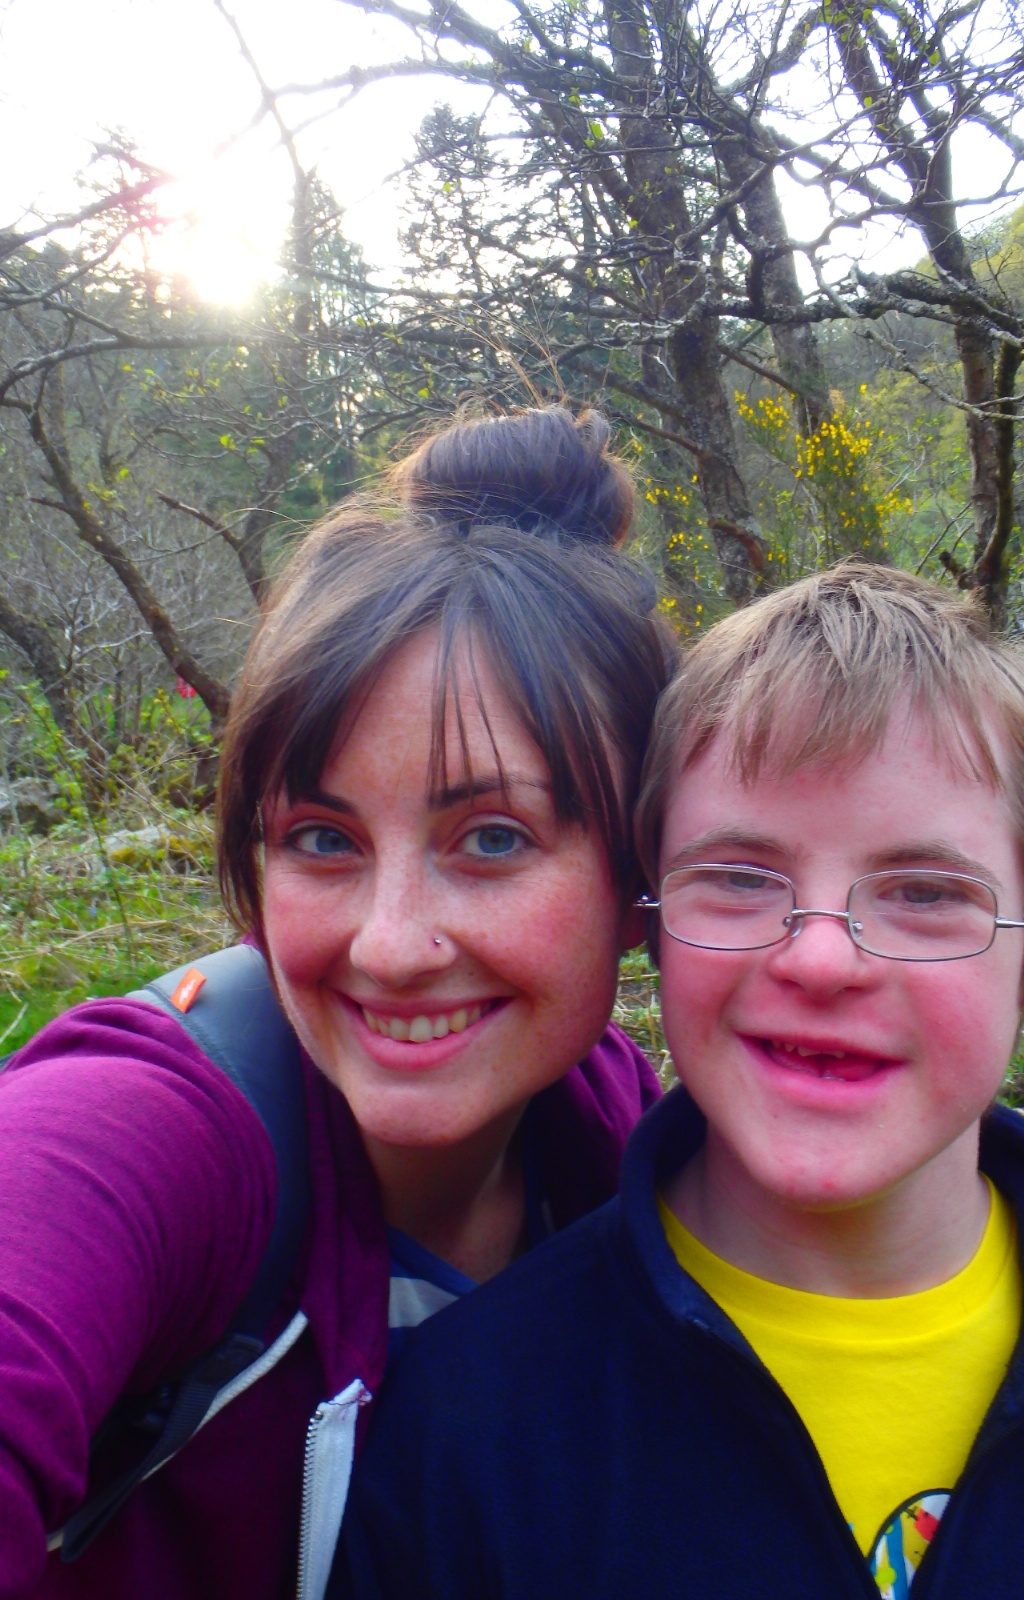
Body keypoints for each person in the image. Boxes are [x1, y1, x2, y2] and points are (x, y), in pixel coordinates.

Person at [333, 563, 1024, 1600]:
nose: (821, 961)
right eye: (740, 878)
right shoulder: (466, 1425)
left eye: (925, 893)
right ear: (653, 927)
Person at [0, 407, 676, 1600]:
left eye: (494, 838)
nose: (390, 944)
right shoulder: (158, 1132)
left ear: (639, 877)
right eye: (322, 837)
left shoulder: (625, 1143)